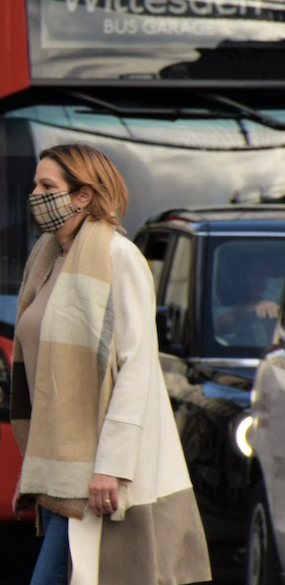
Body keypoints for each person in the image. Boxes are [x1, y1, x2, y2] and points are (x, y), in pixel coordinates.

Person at [11, 144, 211, 584]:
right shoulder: (46, 259)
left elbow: (138, 365)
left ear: (82, 196)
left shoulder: (119, 258)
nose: (35, 195)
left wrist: (111, 466)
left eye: (48, 186)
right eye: (34, 185)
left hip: (97, 468)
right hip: (63, 467)